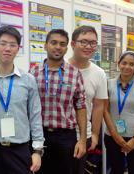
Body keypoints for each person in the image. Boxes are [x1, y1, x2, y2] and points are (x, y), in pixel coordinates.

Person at [0, 26, 44, 174]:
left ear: (18, 49)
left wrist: (37, 151)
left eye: (13, 45)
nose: (8, 48)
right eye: (3, 43)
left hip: (20, 149)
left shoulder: (28, 80)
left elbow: (35, 116)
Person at [30, 29, 87, 174]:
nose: (58, 47)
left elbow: (81, 107)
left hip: (66, 137)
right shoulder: (33, 73)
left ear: (66, 48)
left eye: (62, 44)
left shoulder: (74, 73)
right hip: (40, 136)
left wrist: (82, 140)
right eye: (53, 42)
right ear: (45, 45)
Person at [68, 25, 108, 174]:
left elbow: (98, 106)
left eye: (92, 43)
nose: (88, 46)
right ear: (73, 44)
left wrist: (96, 134)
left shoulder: (99, 73)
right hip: (59, 134)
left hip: (84, 136)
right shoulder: (62, 67)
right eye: (83, 42)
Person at [104, 51, 134, 174]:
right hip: (112, 136)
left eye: (132, 64)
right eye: (124, 63)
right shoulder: (108, 84)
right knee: (115, 169)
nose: (127, 67)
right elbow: (105, 110)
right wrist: (116, 136)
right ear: (119, 63)